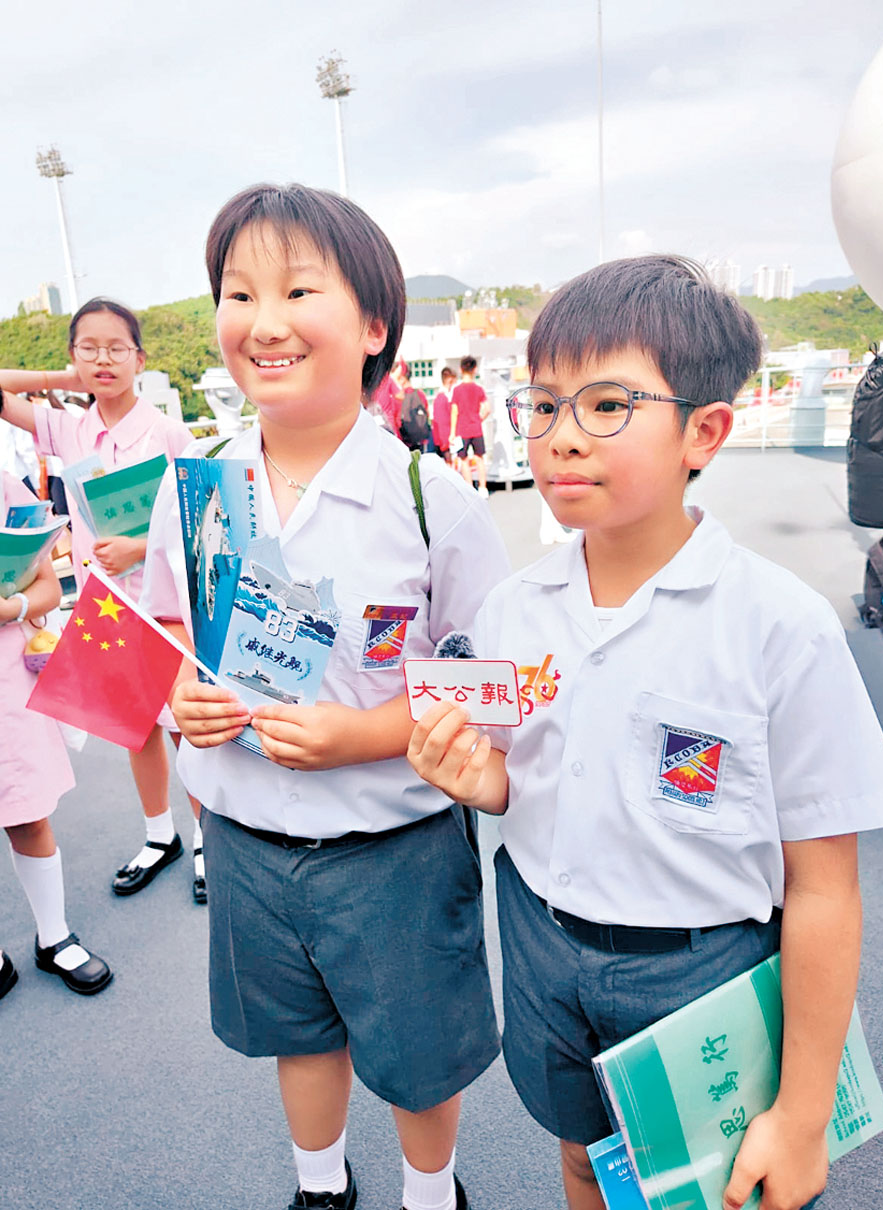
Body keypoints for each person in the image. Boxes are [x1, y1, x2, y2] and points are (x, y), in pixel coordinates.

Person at [407, 256, 883, 1210]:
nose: (560, 438)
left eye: (605, 406)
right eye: (543, 405)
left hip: (702, 967)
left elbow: (825, 891)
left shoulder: (777, 626)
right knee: (586, 1163)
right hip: (542, 943)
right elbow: (534, 773)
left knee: (717, 1191)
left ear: (704, 432)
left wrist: (802, 1117)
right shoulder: (513, 611)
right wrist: (487, 786)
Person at [140, 183, 507, 1210]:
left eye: (299, 289)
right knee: (295, 1031)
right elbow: (173, 634)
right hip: (251, 841)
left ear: (374, 324)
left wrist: (360, 733)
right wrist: (186, 699)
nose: (263, 321)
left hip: (392, 847)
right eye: (238, 291)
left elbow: (484, 690)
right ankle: (319, 1184)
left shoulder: (435, 500)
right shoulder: (198, 487)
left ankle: (429, 1193)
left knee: (418, 1054)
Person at [0, 303, 206, 904]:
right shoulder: (67, 428)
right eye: (87, 348)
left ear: (141, 358)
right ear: (71, 358)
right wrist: (66, 383)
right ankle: (157, 834)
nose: (103, 360)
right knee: (131, 727)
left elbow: (203, 517)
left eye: (117, 348)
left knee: (182, 729)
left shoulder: (168, 432)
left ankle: (204, 842)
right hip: (105, 603)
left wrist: (141, 544)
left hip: (166, 604)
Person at [0, 464, 112, 999]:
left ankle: (54, 935)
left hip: (7, 680)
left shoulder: (3, 483)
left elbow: (46, 583)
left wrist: (13, 606)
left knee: (27, 810)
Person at [451, 356, 490, 496]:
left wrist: (452, 433)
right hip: (476, 428)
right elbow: (487, 408)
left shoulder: (456, 390)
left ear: (461, 369)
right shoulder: (479, 389)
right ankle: (483, 488)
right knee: (480, 459)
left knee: (464, 459)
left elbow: (454, 412)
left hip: (462, 430)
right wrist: (479, 419)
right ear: (475, 369)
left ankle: (469, 490)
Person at [396, 361, 432, 453]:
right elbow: (427, 413)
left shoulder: (399, 396)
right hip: (421, 439)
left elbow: (397, 418)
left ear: (402, 379)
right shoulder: (420, 394)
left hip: (405, 440)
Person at [431, 367, 458, 463]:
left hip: (446, 439)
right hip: (447, 440)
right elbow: (442, 422)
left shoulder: (441, 397)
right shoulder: (443, 398)